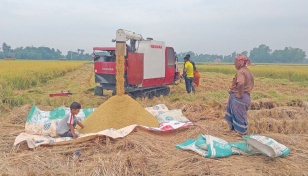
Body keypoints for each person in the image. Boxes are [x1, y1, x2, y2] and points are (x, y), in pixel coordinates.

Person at [225, 54, 254, 135]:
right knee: (241, 118)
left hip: (240, 99)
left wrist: (240, 94)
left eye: (235, 62)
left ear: (240, 63)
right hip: (246, 97)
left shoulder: (241, 72)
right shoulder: (248, 72)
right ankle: (237, 134)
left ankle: (240, 135)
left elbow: (240, 83)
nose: (234, 64)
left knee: (239, 119)